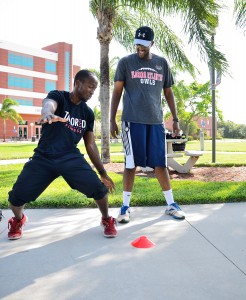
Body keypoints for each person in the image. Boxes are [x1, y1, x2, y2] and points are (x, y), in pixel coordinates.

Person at [8, 69, 117, 240]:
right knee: (16, 198)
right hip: (44, 157)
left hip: (70, 157)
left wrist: (102, 173)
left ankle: (106, 219)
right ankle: (18, 220)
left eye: (94, 89)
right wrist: (47, 114)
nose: (92, 92)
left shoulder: (87, 113)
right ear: (78, 83)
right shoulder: (59, 96)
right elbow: (48, 104)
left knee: (99, 189)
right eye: (90, 87)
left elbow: (90, 144)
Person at [110, 26, 185, 223]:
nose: (140, 49)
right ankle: (125, 207)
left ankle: (171, 204)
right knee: (130, 164)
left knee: (160, 164)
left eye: (143, 46)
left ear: (152, 44)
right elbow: (117, 92)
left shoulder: (161, 63)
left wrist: (175, 119)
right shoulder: (126, 63)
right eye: (137, 45)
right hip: (132, 121)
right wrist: (111, 119)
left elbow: (168, 92)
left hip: (156, 122)